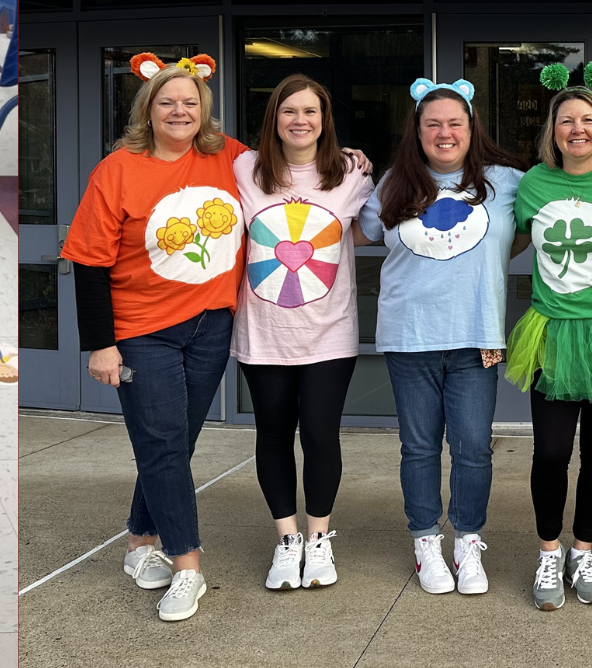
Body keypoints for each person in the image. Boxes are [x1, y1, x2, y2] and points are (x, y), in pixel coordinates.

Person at [67, 54, 244, 622]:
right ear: (148, 107)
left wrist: (348, 159)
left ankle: (140, 540)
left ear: (204, 110)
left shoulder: (230, 158)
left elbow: (292, 167)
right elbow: (89, 261)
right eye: (167, 101)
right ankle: (187, 565)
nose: (179, 110)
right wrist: (101, 343)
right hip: (142, 331)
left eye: (190, 102)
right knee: (165, 443)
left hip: (212, 324)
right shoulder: (117, 169)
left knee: (172, 443)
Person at [359, 78, 526, 598]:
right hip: (411, 336)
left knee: (474, 448)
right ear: (418, 130)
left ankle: (468, 542)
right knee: (420, 448)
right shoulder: (392, 184)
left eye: (455, 122)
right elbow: (358, 228)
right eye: (433, 123)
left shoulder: (507, 182)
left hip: (477, 335)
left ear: (472, 127)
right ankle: (426, 542)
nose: (444, 132)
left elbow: (524, 231)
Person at [502, 61, 592, 611]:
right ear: (553, 131)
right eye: (567, 121)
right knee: (551, 452)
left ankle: (582, 550)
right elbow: (502, 242)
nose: (578, 129)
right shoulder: (532, 183)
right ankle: (548, 551)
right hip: (552, 332)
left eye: (589, 120)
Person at [229, 75, 374, 592]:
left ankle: (319, 538)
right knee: (272, 433)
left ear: (324, 120)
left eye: (310, 111)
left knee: (318, 434)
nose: (300, 121)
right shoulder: (244, 168)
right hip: (263, 332)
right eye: (289, 111)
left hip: (329, 333)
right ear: (274, 119)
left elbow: (373, 226)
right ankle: (286, 540)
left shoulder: (352, 175)